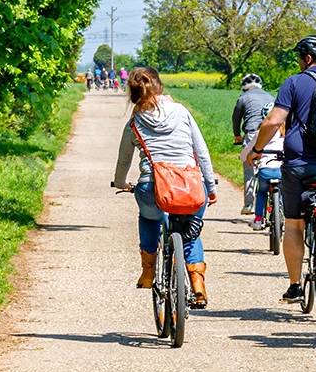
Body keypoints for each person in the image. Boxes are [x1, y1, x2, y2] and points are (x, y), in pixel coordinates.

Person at [247, 35, 316, 303]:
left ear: (307, 58)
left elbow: (274, 121)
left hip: (300, 165)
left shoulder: (293, 83)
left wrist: (257, 149)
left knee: (294, 223)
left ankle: (295, 285)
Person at [111, 67, 219, 308]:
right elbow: (201, 152)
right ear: (159, 85)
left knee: (149, 218)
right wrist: (210, 186)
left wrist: (120, 183)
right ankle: (198, 284)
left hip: (151, 187)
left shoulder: (135, 121)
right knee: (191, 231)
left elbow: (124, 159)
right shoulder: (181, 111)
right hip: (190, 187)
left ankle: (148, 272)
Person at [231, 73, 275, 214]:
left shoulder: (243, 98)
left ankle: (249, 204)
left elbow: (236, 118)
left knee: (249, 167)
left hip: (252, 134)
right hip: (271, 134)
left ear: (244, 86)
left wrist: (237, 136)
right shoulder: (270, 97)